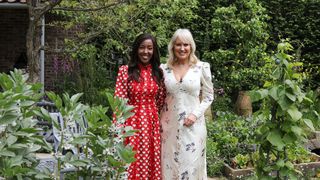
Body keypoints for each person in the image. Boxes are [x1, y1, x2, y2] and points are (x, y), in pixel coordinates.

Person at [160, 28, 214, 179]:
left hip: (193, 127)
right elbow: (159, 97)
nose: (182, 48)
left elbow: (209, 96)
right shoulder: (164, 69)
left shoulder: (201, 67)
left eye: (186, 44)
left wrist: (195, 115)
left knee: (191, 166)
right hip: (168, 127)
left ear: (191, 47)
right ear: (172, 47)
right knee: (169, 165)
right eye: (178, 45)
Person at [114, 33, 166, 180]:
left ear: (154, 51)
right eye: (142, 47)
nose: (146, 52)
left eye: (150, 48)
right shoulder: (125, 71)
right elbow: (119, 102)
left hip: (151, 125)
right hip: (131, 124)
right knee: (131, 162)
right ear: (136, 49)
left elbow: (161, 100)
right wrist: (118, 129)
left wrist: (151, 114)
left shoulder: (158, 73)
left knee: (150, 161)